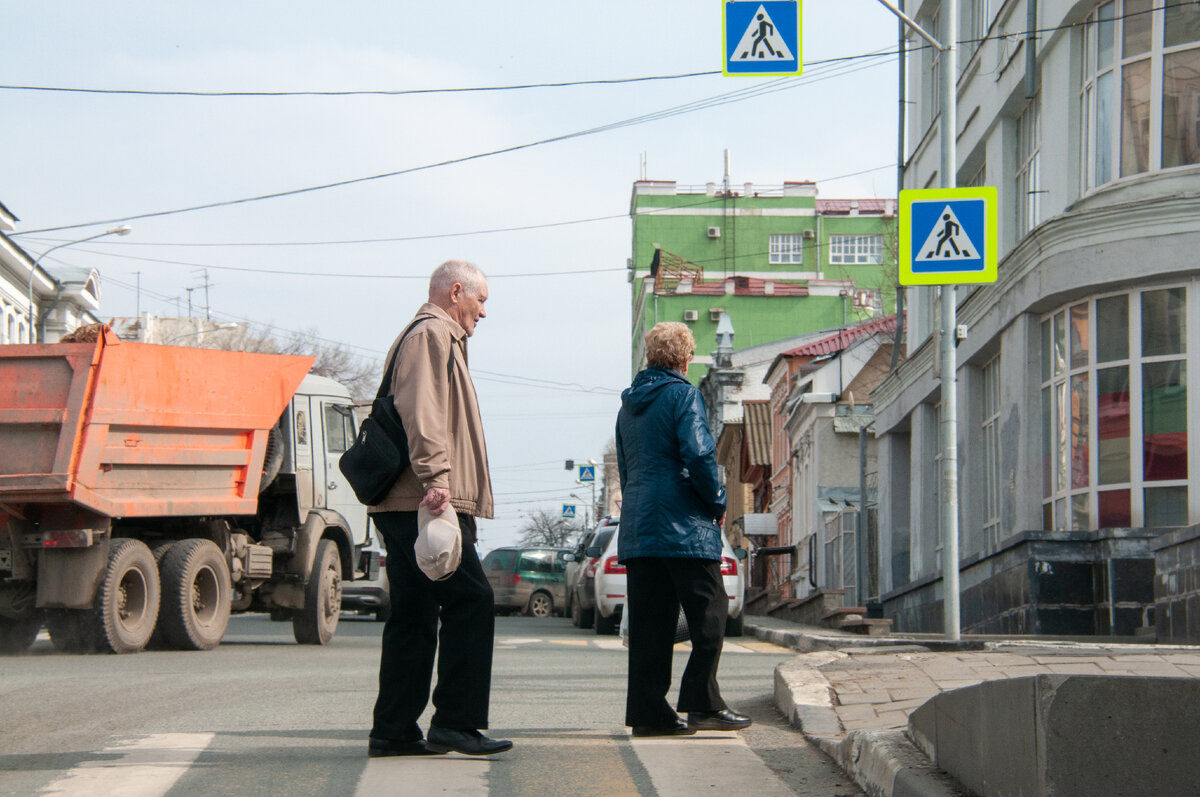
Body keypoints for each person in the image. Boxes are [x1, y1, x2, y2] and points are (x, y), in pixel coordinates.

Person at [367, 260, 512, 758]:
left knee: (415, 614)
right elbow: (422, 410)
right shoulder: (432, 334)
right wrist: (437, 483)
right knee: (471, 601)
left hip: (410, 499)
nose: (484, 312)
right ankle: (456, 722)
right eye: (481, 300)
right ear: (456, 292)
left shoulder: (435, 336)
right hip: (423, 500)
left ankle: (394, 730)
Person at [615, 322, 752, 737]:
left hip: (641, 530)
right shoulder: (683, 395)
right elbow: (698, 453)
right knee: (711, 612)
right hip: (684, 528)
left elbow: (626, 469)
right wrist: (717, 501)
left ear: (650, 355)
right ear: (686, 358)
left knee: (649, 627)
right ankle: (701, 703)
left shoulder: (628, 406)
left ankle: (648, 714)